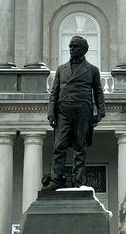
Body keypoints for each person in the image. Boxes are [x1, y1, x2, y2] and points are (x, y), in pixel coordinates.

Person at [43, 35, 106, 190]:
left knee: (80, 147)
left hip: (82, 111)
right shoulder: (61, 69)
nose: (72, 49)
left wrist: (101, 111)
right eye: (70, 46)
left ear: (84, 50)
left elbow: (98, 92)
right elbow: (54, 93)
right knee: (59, 146)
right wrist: (51, 112)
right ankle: (56, 180)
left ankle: (78, 181)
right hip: (63, 111)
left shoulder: (92, 70)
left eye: (75, 46)